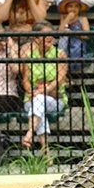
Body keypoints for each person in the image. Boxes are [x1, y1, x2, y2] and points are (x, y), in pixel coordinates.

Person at [20, 20, 67, 150]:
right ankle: (46, 151)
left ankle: (29, 134)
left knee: (39, 101)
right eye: (45, 35)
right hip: (32, 98)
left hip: (55, 99)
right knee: (40, 106)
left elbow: (60, 79)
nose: (50, 37)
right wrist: (32, 92)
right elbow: (25, 81)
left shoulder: (60, 54)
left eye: (51, 34)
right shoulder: (29, 55)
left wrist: (41, 91)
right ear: (35, 38)